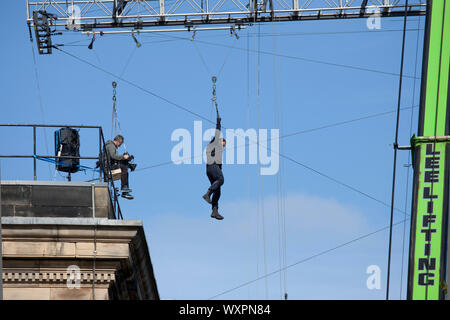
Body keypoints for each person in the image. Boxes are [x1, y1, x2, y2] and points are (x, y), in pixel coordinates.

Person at [203, 116, 226, 220]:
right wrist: (218, 123)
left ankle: (214, 211)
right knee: (221, 179)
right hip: (212, 166)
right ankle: (207, 194)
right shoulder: (214, 143)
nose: (223, 147)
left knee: (218, 191)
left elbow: (220, 168)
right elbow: (217, 132)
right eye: (223, 144)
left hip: (210, 169)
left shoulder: (219, 154)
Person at [103, 135, 134, 200]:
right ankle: (124, 188)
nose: (120, 145)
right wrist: (123, 157)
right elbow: (113, 156)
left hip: (109, 165)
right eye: (120, 143)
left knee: (124, 166)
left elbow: (113, 158)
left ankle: (125, 188)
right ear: (117, 141)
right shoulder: (111, 146)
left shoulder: (110, 145)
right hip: (108, 167)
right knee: (124, 168)